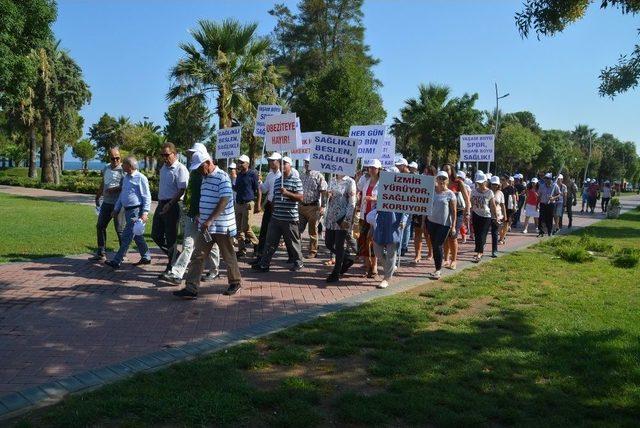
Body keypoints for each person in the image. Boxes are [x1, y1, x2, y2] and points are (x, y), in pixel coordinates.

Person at [173, 152, 242, 298]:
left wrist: (210, 219)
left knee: (228, 256)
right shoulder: (204, 177)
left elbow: (224, 200)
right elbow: (205, 199)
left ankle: (235, 282)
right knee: (198, 256)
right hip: (206, 227)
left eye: (200, 167)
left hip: (222, 227)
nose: (198, 171)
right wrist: (201, 215)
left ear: (208, 163)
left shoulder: (222, 177)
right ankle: (191, 288)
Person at [161, 143, 220, 285]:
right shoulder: (194, 172)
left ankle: (214, 271)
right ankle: (177, 274)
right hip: (192, 214)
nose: (191, 155)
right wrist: (188, 207)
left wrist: (207, 215)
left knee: (211, 245)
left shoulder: (211, 174)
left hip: (205, 216)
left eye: (194, 152)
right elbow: (189, 192)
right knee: (188, 245)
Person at [252, 157, 305, 272]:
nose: (282, 166)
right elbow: (274, 197)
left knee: (293, 243)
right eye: (281, 163)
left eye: (284, 163)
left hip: (290, 218)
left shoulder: (296, 180)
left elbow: (300, 197)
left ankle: (298, 262)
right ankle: (264, 264)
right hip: (276, 217)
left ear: (290, 165)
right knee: (270, 242)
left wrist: (286, 193)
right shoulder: (277, 181)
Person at [105, 156, 152, 268]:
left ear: (130, 166)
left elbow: (146, 196)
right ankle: (146, 257)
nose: (122, 166)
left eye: (124, 164)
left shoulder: (141, 178)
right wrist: (116, 209)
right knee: (137, 235)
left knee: (126, 236)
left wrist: (145, 212)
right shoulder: (126, 178)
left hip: (136, 211)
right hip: (127, 211)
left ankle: (117, 261)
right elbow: (122, 195)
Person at [152, 142, 189, 275]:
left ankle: (171, 265)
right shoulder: (163, 168)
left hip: (173, 204)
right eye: (162, 155)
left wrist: (170, 204)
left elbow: (182, 189)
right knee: (155, 234)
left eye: (167, 155)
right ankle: (176, 256)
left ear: (175, 154)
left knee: (171, 236)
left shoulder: (180, 169)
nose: (164, 157)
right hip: (162, 203)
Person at [90, 148, 125, 261]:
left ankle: (122, 253)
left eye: (117, 158)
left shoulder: (123, 169)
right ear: (109, 158)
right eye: (113, 158)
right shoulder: (106, 168)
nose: (115, 160)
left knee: (119, 229)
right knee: (100, 226)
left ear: (120, 157)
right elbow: (103, 183)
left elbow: (126, 186)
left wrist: (114, 189)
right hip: (106, 203)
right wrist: (98, 196)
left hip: (118, 204)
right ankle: (101, 252)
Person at [324, 173, 357, 283]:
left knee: (338, 246)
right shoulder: (332, 180)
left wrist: (347, 220)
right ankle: (346, 258)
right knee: (328, 243)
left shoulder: (350, 182)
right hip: (330, 217)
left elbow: (352, 203)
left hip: (342, 218)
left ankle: (336, 273)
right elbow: (328, 198)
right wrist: (327, 196)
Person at [426, 171, 457, 279]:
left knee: (438, 245)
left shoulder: (450, 194)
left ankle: (438, 270)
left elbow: (453, 212)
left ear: (447, 180)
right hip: (431, 222)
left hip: (444, 225)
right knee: (434, 246)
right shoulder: (431, 191)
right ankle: (436, 268)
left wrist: (453, 226)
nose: (442, 180)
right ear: (436, 179)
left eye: (444, 178)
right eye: (440, 178)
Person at [356, 159, 381, 278]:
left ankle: (374, 266)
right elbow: (358, 189)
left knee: (372, 241)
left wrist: (374, 199)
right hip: (364, 215)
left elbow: (387, 199)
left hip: (375, 216)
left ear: (379, 169)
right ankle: (367, 266)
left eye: (374, 168)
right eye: (370, 167)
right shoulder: (366, 180)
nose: (371, 170)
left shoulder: (382, 183)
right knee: (363, 240)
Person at [299, 156, 328, 258]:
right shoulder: (302, 175)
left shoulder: (318, 175)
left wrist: (323, 206)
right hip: (301, 206)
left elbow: (324, 192)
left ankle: (313, 251)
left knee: (312, 230)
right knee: (297, 229)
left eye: (309, 162)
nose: (306, 164)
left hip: (313, 206)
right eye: (305, 162)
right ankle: (297, 250)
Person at [442, 165, 469, 270]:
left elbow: (467, 199)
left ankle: (454, 260)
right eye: (444, 169)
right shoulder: (441, 182)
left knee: (452, 237)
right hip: (444, 212)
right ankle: (446, 259)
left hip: (458, 212)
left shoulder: (458, 182)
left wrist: (467, 212)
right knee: (445, 237)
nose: (445, 171)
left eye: (447, 169)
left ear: (452, 170)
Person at [255, 152, 281, 259]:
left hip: (278, 207)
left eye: (273, 160)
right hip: (270, 205)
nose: (270, 162)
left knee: (276, 232)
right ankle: (261, 253)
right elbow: (265, 189)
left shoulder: (282, 176)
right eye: (269, 160)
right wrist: (260, 182)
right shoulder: (270, 175)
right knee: (264, 230)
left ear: (279, 162)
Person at [233, 154, 260, 258]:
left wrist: (258, 204)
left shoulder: (252, 174)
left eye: (242, 162)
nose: (240, 164)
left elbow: (258, 189)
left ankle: (257, 244)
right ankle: (241, 250)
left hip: (248, 204)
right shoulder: (239, 175)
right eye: (239, 162)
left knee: (246, 228)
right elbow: (237, 188)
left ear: (247, 163)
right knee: (238, 229)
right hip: (239, 204)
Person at [368, 208, 403, 289]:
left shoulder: (401, 196)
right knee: (378, 252)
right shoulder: (382, 196)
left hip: (394, 227)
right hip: (380, 226)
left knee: (391, 254)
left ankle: (386, 279)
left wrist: (403, 221)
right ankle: (390, 268)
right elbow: (375, 211)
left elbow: (407, 209)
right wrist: (371, 227)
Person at [470, 171, 499, 262]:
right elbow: (471, 202)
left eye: (482, 182)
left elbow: (493, 205)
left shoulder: (489, 192)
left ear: (486, 182)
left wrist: (496, 216)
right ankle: (479, 251)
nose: (480, 184)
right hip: (476, 214)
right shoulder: (474, 191)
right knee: (477, 235)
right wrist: (470, 212)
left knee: (482, 234)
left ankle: (479, 253)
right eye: (478, 182)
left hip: (486, 216)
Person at [413, 165, 437, 263]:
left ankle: (430, 252)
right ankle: (417, 255)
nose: (426, 175)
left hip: (430, 211)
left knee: (427, 234)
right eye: (425, 172)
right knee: (417, 232)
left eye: (429, 173)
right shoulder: (420, 182)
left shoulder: (436, 184)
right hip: (419, 210)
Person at [395, 158, 412, 256]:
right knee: (403, 225)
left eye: (399, 165)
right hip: (399, 204)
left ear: (404, 165)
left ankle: (403, 247)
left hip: (408, 204)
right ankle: (402, 247)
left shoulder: (412, 176)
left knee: (404, 225)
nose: (397, 166)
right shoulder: (398, 175)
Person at [537, 172, 561, 237]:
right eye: (545, 178)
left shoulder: (554, 186)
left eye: (547, 178)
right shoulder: (542, 186)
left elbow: (559, 194)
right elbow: (539, 195)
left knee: (549, 218)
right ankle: (541, 231)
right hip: (543, 204)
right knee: (541, 218)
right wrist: (537, 204)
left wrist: (553, 198)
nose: (546, 180)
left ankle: (549, 231)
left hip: (550, 204)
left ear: (550, 179)